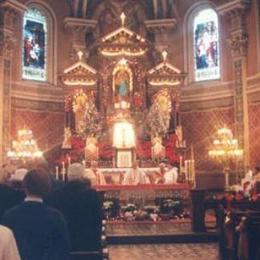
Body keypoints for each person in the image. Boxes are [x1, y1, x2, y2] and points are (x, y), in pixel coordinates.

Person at [1, 169, 70, 260]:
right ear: (47, 188)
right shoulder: (55, 216)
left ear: (25, 186)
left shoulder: (10, 215)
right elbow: (63, 249)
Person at [46, 163, 103, 251]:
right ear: (82, 177)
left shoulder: (56, 195)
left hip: (64, 243)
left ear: (68, 176)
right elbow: (98, 219)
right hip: (87, 243)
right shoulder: (92, 195)